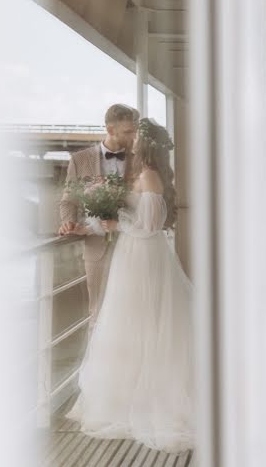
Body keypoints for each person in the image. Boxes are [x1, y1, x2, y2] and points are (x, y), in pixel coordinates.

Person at [66, 119, 194, 453]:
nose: (130, 139)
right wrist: (92, 224)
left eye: (135, 135)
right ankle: (128, 392)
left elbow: (149, 227)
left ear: (144, 142)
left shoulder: (149, 174)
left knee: (141, 321)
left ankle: (146, 398)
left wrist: (115, 223)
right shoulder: (141, 173)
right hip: (132, 255)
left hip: (143, 256)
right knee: (130, 323)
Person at [58, 103, 139, 329]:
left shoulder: (140, 160)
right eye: (128, 132)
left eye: (134, 131)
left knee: (132, 310)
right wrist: (68, 222)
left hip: (132, 245)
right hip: (96, 248)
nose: (133, 137)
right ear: (110, 129)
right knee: (98, 312)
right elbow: (68, 200)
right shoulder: (79, 160)